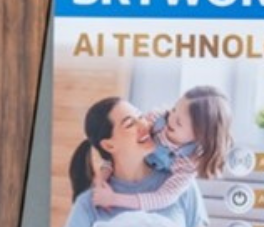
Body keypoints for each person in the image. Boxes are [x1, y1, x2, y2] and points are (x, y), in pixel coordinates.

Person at [53, 96, 210, 227]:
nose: (144, 125)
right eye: (130, 123)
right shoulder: (90, 202)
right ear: (109, 145)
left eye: (140, 117)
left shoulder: (179, 187)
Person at [91, 84, 235, 214]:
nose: (170, 119)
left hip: (148, 192)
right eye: (174, 109)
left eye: (179, 122)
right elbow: (121, 146)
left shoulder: (190, 162)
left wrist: (115, 199)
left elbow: (164, 197)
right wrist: (102, 176)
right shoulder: (155, 120)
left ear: (200, 135)